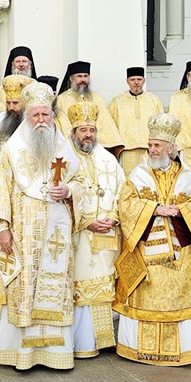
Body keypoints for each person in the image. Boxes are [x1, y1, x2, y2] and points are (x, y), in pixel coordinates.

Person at [0, 81, 80, 371]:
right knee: (22, 286)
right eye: (36, 115)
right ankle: (22, 355)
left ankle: (56, 354)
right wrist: (2, 227)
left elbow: (82, 183)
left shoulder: (64, 147)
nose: (41, 121)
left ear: (53, 116)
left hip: (56, 232)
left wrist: (70, 192)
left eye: (46, 115)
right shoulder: (11, 150)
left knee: (54, 287)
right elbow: (0, 190)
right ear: (27, 116)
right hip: (22, 233)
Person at [115, 113, 191, 366]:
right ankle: (138, 349)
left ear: (170, 148)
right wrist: (154, 209)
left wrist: (182, 211)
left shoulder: (188, 175)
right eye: (151, 144)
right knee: (145, 294)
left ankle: (181, 351)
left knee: (180, 296)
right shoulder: (137, 173)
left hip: (178, 254)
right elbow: (126, 203)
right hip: (148, 249)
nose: (152, 149)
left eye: (157, 145)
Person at [66, 101, 123, 359]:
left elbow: (125, 193)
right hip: (80, 236)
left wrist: (113, 217)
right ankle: (84, 343)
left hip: (108, 234)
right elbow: (61, 199)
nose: (88, 135)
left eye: (91, 130)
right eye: (83, 130)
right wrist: (86, 221)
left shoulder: (108, 159)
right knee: (83, 290)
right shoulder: (65, 159)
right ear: (74, 132)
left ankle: (105, 340)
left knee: (105, 287)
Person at [55, 62, 123, 155]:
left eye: (85, 76)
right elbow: (62, 125)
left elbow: (106, 123)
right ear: (71, 78)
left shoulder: (97, 98)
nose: (83, 79)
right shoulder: (62, 100)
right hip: (72, 149)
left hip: (96, 148)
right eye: (79, 76)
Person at [109, 67, 164, 174]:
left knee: (150, 179)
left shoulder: (153, 100)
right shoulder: (118, 101)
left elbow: (161, 125)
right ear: (127, 81)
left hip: (149, 149)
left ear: (144, 81)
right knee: (128, 181)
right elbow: (111, 126)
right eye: (132, 80)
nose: (136, 83)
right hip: (127, 151)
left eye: (139, 79)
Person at [0, 74, 32, 153]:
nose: (11, 107)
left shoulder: (31, 121)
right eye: (8, 103)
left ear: (24, 102)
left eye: (15, 103)